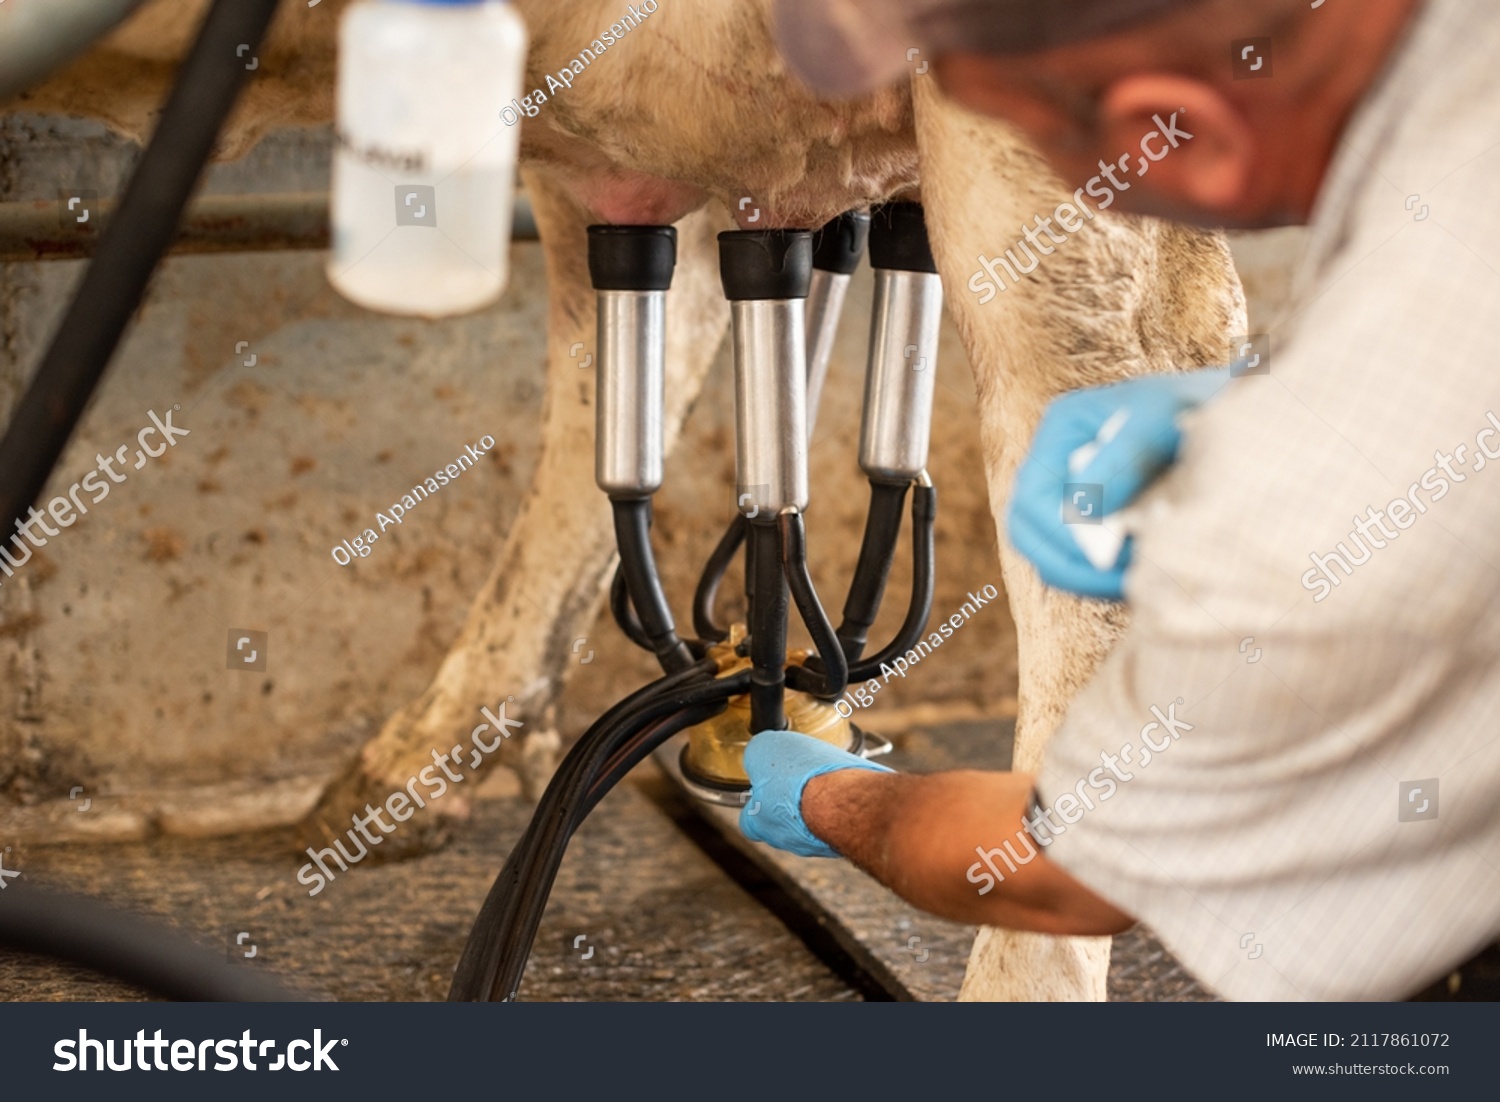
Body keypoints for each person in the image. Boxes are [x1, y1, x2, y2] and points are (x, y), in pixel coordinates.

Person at [743, 0, 1500, 1000]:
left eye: (1050, 152)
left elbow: (1063, 870)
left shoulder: (1300, 529)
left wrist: (836, 802)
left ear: (1178, 132)